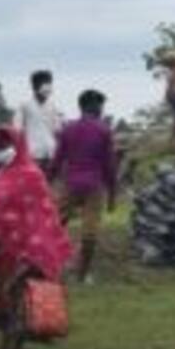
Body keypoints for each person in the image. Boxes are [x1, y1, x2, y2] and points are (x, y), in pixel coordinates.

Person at [0, 126, 74, 349]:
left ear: (17, 145)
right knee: (3, 298)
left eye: (4, 145)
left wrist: (33, 248)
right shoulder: (1, 174)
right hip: (1, 248)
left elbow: (42, 213)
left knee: (17, 296)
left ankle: (12, 345)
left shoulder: (32, 175)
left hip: (28, 247)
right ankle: (8, 342)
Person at [50, 89, 120, 283]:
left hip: (70, 183)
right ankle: (82, 274)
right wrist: (112, 194)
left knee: (55, 224)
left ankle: (48, 264)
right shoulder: (103, 131)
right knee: (89, 232)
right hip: (94, 186)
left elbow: (57, 160)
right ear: (92, 106)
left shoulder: (68, 129)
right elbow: (109, 166)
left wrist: (47, 182)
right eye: (100, 105)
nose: (101, 110)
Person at [18, 69, 64, 167]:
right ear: (34, 86)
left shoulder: (53, 107)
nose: (48, 88)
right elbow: (17, 130)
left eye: (49, 84)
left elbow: (57, 130)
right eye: (45, 84)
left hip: (50, 154)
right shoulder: (24, 106)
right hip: (32, 155)